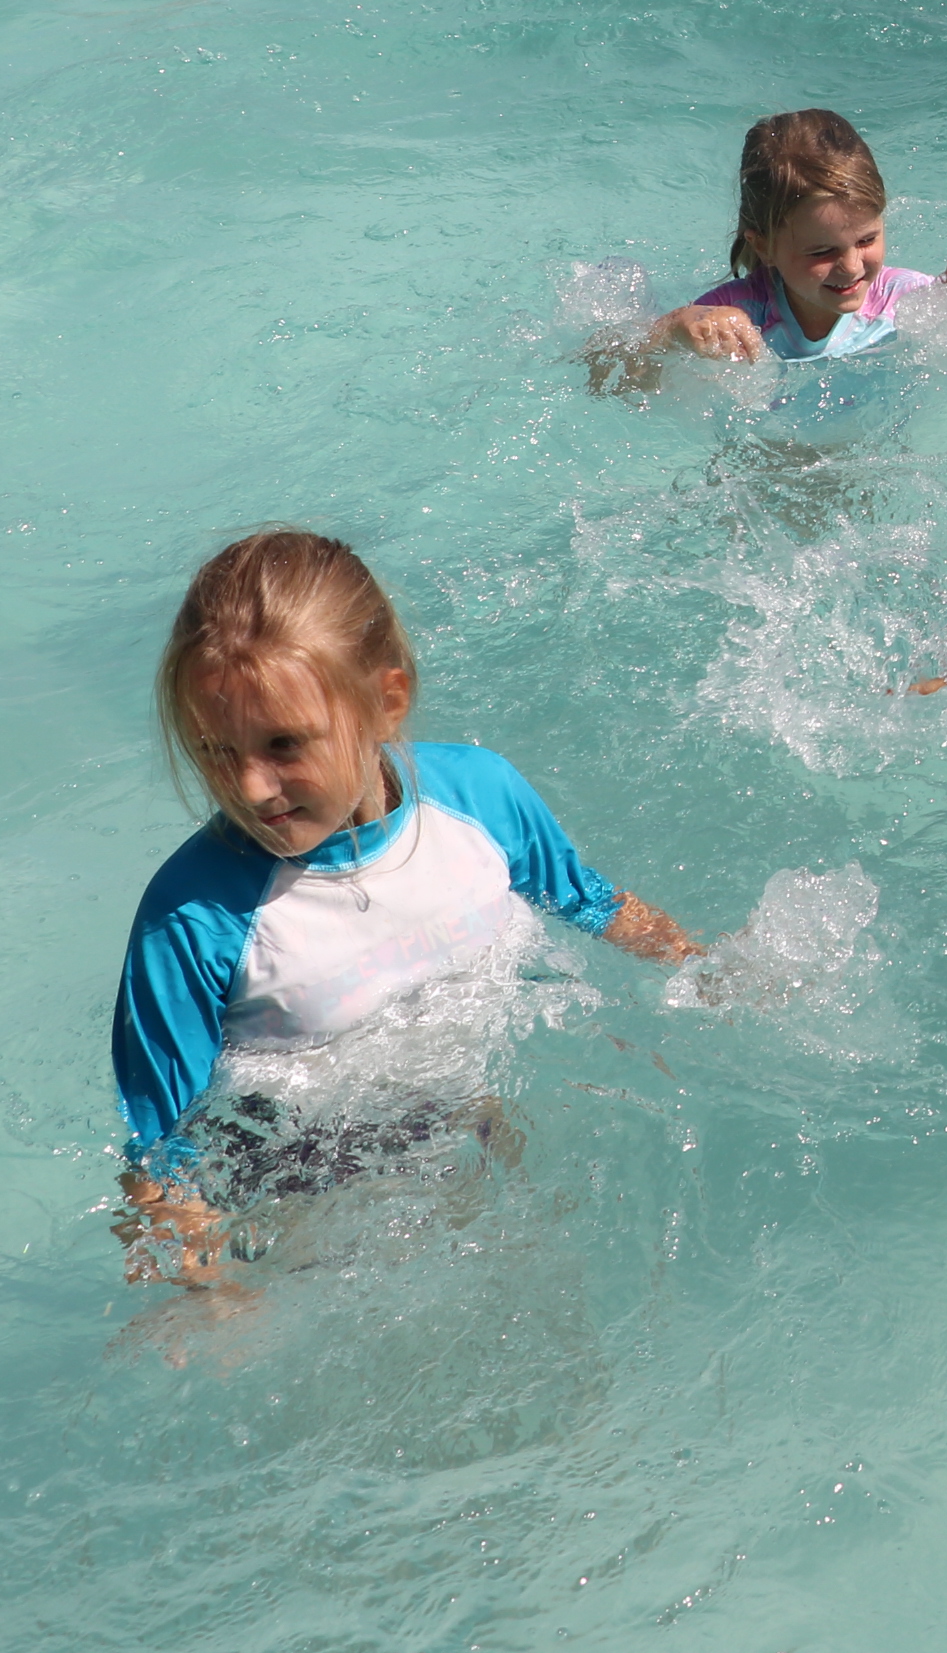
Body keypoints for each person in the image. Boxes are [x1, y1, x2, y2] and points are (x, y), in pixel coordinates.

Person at [107, 530, 703, 1289]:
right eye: (217, 750)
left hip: (481, 1128)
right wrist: (212, 1296)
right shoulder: (192, 917)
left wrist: (702, 969)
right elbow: (160, 1147)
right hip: (311, 1205)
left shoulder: (480, 796)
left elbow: (593, 904)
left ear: (385, 703)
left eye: (284, 744)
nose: (251, 787)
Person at [631, 109, 947, 378]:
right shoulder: (734, 316)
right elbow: (614, 380)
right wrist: (673, 330)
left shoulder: (903, 301)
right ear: (764, 247)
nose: (852, 267)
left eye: (867, 239)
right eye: (822, 252)